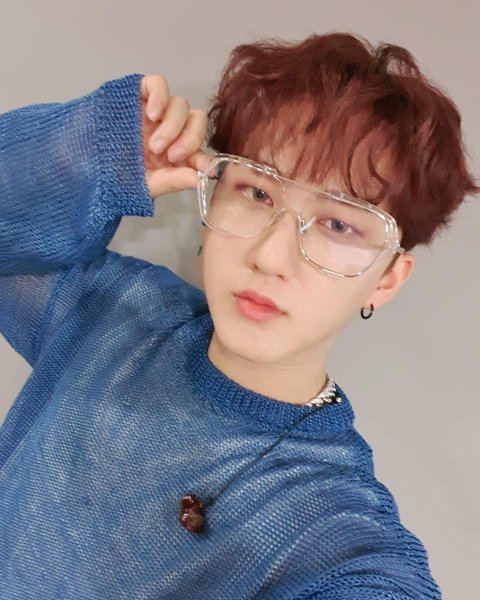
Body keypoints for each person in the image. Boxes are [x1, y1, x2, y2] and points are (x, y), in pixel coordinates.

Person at [0, 31, 476, 599]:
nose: (269, 257)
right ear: (213, 196)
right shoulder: (115, 314)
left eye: (338, 224)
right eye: (257, 193)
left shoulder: (335, 526)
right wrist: (99, 152)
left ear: (387, 279)